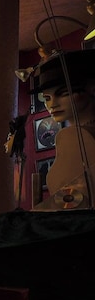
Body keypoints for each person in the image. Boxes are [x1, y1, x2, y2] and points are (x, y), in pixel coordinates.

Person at [32, 49, 95, 197]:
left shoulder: (73, 135)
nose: (52, 104)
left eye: (64, 93)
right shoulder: (68, 135)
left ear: (92, 89)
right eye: (47, 98)